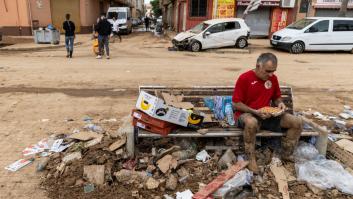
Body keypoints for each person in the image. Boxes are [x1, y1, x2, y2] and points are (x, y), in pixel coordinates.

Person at [232, 53, 303, 173]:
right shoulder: (244, 78)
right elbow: (236, 103)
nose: (271, 74)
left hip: (267, 115)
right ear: (258, 66)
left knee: (297, 122)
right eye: (268, 71)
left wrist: (280, 103)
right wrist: (254, 111)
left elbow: (277, 97)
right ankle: (251, 158)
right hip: (247, 114)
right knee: (251, 122)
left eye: (273, 71)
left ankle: (286, 153)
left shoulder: (273, 78)